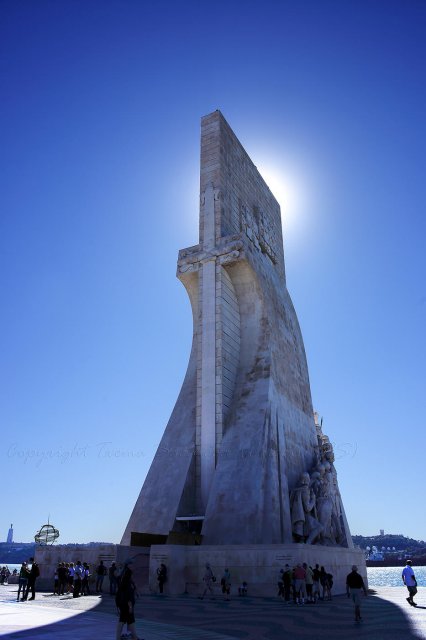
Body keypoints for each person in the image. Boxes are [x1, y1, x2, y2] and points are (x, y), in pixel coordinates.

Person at [115, 567, 138, 640]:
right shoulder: (128, 583)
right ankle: (134, 637)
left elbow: (118, 595)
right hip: (127, 606)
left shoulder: (122, 582)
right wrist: (130, 607)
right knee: (130, 621)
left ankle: (119, 638)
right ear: (129, 575)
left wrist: (118, 606)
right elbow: (129, 596)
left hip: (122, 606)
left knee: (123, 621)